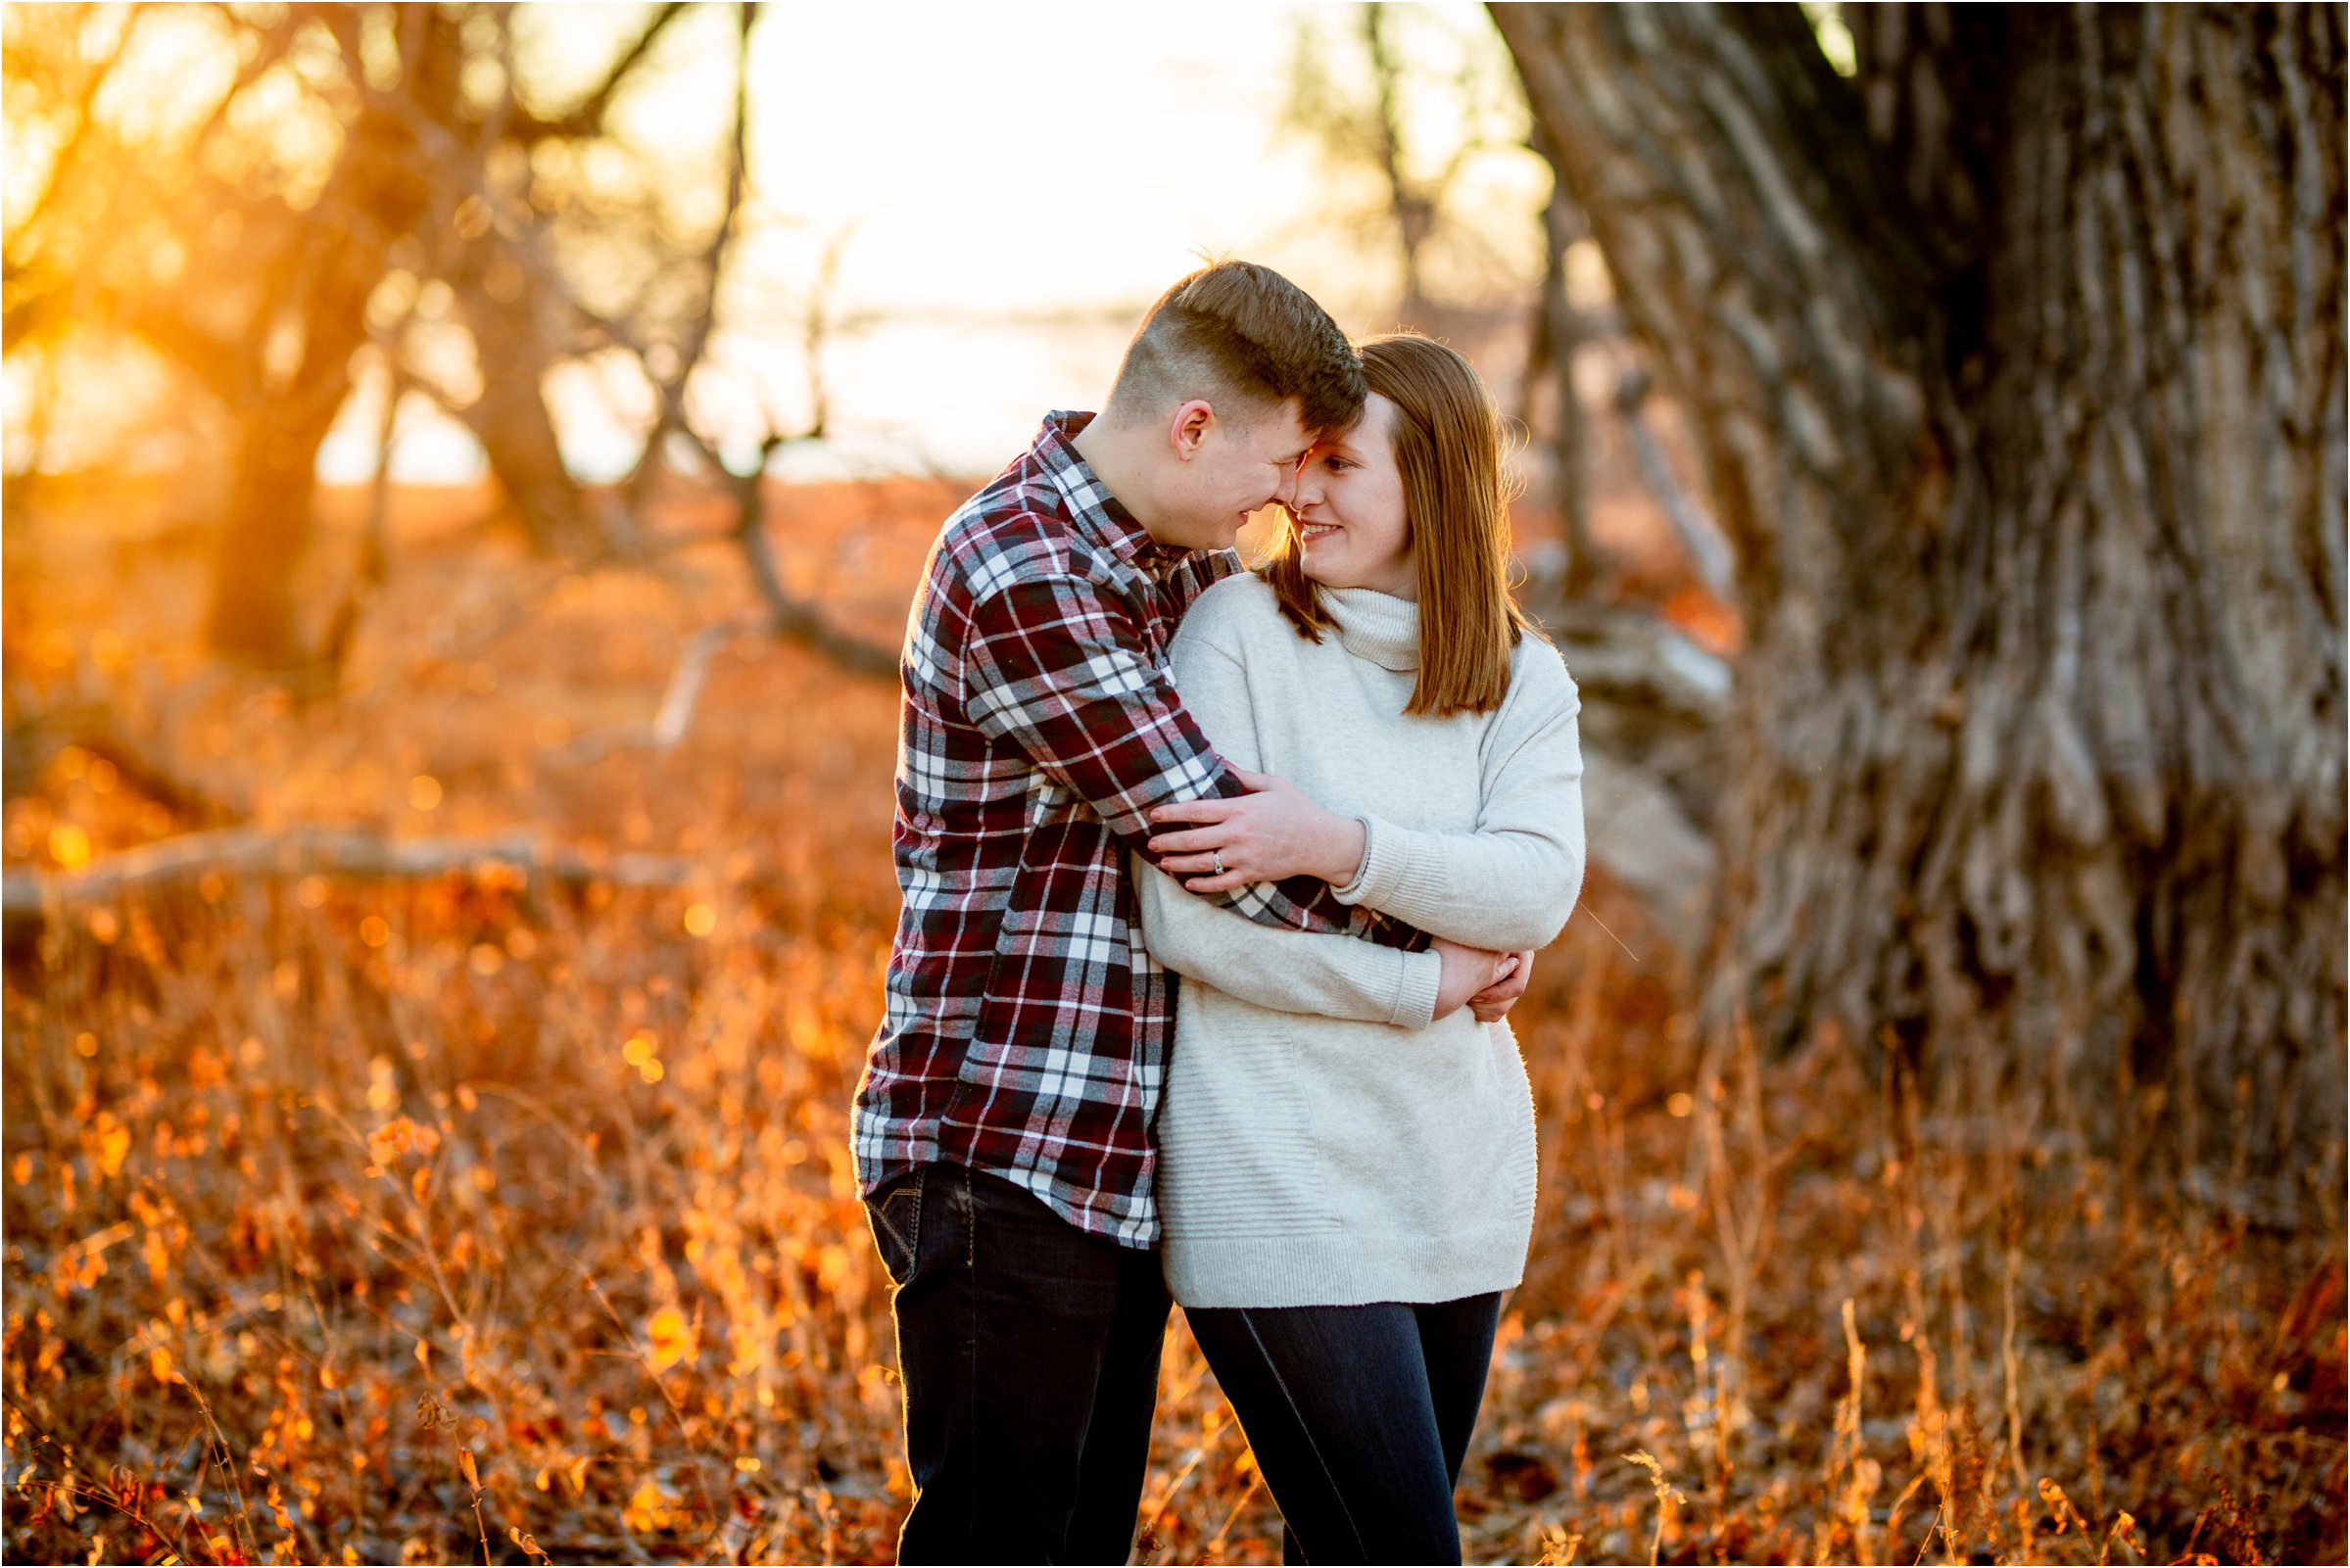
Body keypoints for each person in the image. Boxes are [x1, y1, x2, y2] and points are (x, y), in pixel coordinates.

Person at [850, 265, 1532, 1563]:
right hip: (1004, 1135)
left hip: (1122, 1146)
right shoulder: (1020, 568)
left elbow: (1325, 772)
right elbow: (1216, 832)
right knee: (1010, 1541)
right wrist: (1437, 947)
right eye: (1278, 462)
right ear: (1193, 427)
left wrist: (1471, 886)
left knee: (1083, 1538)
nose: (1284, 500)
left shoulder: (1179, 569)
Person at [1133, 332, 1587, 1563]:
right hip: (1275, 1172)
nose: (1298, 490)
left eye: (1338, 465)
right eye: (1301, 461)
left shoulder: (1517, 674)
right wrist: (1420, 976)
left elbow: (1536, 889)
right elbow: (1189, 918)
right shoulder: (1234, 632)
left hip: (1452, 1173)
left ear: (1432, 484)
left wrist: (1331, 840)